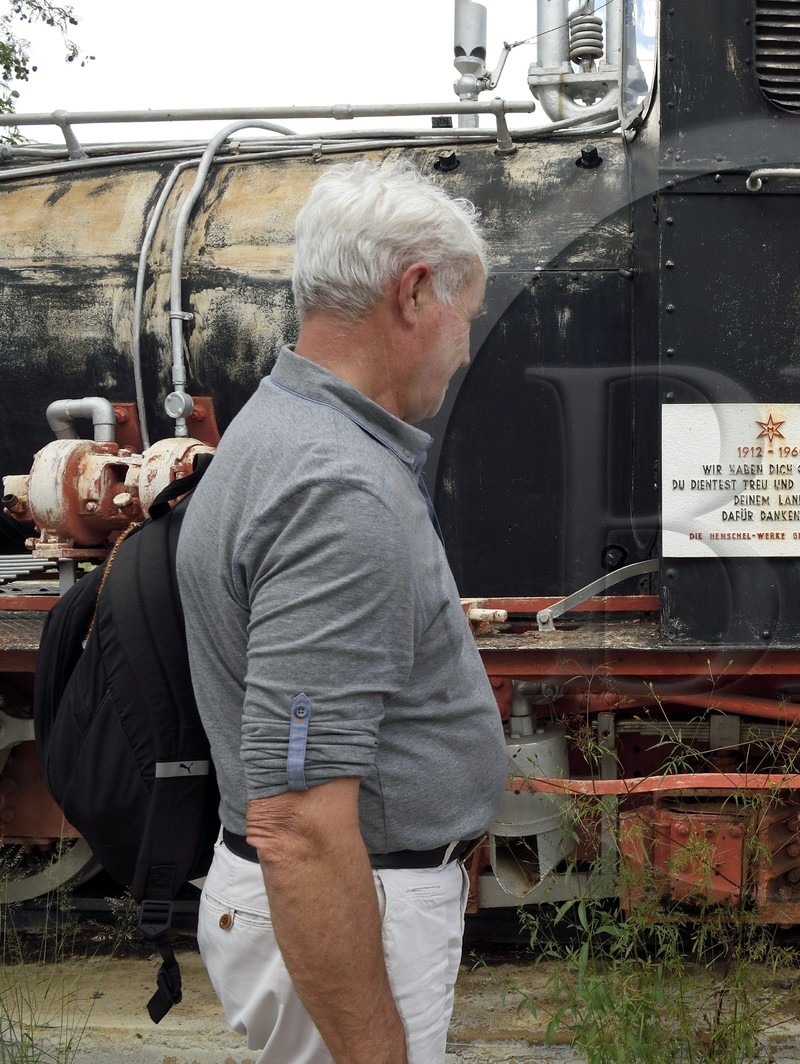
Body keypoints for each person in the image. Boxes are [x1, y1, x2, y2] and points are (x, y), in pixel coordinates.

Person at [177, 160, 507, 1064]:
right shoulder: (338, 489)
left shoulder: (281, 426)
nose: (466, 346)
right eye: (465, 315)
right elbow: (300, 825)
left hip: (359, 891)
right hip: (356, 901)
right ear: (412, 294)